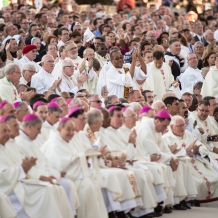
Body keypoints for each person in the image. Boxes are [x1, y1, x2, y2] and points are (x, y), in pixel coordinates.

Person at [0, 115, 75, 218]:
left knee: (54, 187)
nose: (8, 133)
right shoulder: (16, 143)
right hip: (11, 186)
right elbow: (3, 175)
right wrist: (23, 169)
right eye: (4, 131)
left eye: (8, 131)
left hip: (21, 181)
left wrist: (26, 168)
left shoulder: (8, 147)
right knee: (46, 190)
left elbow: (41, 163)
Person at [40, 116, 108, 218]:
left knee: (91, 184)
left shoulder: (65, 140)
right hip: (62, 177)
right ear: (59, 129)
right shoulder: (54, 143)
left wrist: (89, 158)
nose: (71, 133)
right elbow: (61, 165)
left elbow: (76, 157)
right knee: (87, 186)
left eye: (72, 130)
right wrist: (84, 160)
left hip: (75, 174)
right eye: (68, 130)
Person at [136, 109, 198, 209]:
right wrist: (170, 159)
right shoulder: (146, 130)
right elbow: (154, 152)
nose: (165, 129)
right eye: (164, 126)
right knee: (166, 168)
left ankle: (179, 199)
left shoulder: (156, 128)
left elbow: (164, 149)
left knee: (180, 163)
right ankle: (166, 202)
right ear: (156, 121)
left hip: (156, 159)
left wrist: (172, 158)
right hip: (145, 159)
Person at [162, 115, 218, 207]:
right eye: (179, 126)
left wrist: (197, 150)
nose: (182, 128)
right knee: (198, 182)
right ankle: (187, 200)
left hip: (196, 161)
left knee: (215, 177)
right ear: (171, 127)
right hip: (181, 165)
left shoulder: (188, 134)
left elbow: (201, 145)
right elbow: (166, 155)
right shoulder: (166, 138)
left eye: (183, 125)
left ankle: (211, 204)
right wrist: (185, 150)